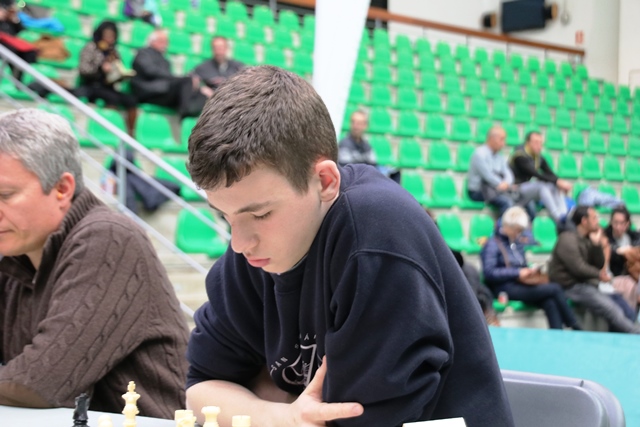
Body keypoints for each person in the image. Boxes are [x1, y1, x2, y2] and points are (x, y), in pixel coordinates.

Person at [184, 66, 513, 427]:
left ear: (325, 181)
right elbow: (200, 389)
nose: (239, 243)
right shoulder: (255, 251)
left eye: (261, 214)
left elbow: (354, 420)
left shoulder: (376, 233)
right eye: (225, 216)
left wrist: (259, 397)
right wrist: (283, 416)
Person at [0, 109, 189, 417]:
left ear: (62, 189)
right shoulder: (15, 255)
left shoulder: (109, 238)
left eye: (5, 195)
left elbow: (41, 381)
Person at [481, 206, 581, 330]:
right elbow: (489, 272)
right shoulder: (492, 244)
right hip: (504, 287)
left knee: (550, 301)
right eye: (517, 230)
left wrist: (529, 270)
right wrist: (517, 272)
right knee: (555, 289)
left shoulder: (516, 242)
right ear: (508, 227)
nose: (519, 234)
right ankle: (574, 325)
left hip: (520, 283)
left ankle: (558, 335)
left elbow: (521, 263)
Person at [548, 206, 640, 333]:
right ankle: (635, 333)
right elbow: (579, 268)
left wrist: (596, 245)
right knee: (611, 309)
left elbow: (599, 264)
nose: (598, 221)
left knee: (618, 303)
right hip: (570, 286)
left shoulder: (587, 238)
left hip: (586, 284)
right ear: (584, 221)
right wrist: (600, 275)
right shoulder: (567, 239)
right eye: (594, 218)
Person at [76, 20, 138, 135]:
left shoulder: (113, 52)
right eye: (107, 36)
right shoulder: (91, 47)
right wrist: (100, 68)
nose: (109, 39)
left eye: (112, 36)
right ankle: (110, 131)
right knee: (112, 98)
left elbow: (117, 68)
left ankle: (131, 133)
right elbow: (84, 69)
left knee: (131, 100)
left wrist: (120, 75)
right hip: (93, 85)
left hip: (108, 86)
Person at [131, 29, 207, 118]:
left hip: (163, 91)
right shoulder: (143, 53)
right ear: (152, 41)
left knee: (202, 93)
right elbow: (150, 71)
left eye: (166, 42)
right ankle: (185, 112)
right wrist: (177, 78)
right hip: (149, 92)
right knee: (187, 81)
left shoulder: (164, 60)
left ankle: (190, 112)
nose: (165, 44)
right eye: (162, 41)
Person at [509, 131, 572, 225]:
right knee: (542, 186)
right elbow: (535, 174)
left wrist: (560, 182)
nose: (539, 146)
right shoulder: (519, 155)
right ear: (528, 143)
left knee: (554, 185)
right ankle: (557, 218)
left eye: (540, 143)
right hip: (515, 189)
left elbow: (550, 173)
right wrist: (557, 181)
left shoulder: (538, 157)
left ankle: (564, 215)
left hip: (527, 190)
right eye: (536, 142)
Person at [467, 126, 526, 218]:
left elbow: (508, 173)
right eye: (501, 139)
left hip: (497, 189)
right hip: (479, 191)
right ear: (492, 139)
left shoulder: (499, 156)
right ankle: (501, 226)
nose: (503, 143)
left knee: (524, 200)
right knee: (507, 202)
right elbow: (488, 176)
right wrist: (501, 184)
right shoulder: (479, 154)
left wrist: (506, 183)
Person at [338, 110, 400, 183]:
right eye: (353, 122)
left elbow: (374, 164)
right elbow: (347, 171)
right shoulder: (344, 144)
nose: (355, 126)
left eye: (359, 123)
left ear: (365, 125)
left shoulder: (366, 145)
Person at [604, 206, 640, 312]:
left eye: (622, 223)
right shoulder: (605, 237)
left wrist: (628, 251)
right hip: (615, 276)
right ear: (611, 222)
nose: (618, 227)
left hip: (633, 276)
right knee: (631, 286)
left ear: (627, 224)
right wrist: (623, 252)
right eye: (615, 223)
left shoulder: (634, 237)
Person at [0, 0, 37, 80]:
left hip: (12, 48)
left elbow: (22, 30)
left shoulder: (10, 21)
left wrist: (14, 18)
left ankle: (19, 78)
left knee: (29, 53)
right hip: (4, 49)